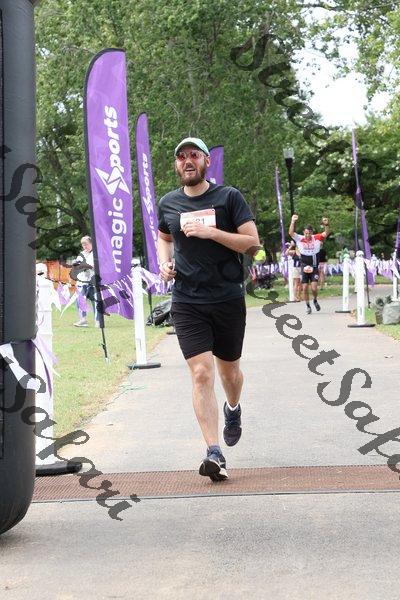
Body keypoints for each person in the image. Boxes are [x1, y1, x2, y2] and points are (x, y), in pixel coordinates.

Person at [157, 137, 260, 481]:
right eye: (181, 156)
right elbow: (164, 237)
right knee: (202, 373)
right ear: (177, 164)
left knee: (229, 373)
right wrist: (164, 264)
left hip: (227, 298)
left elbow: (253, 244)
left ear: (205, 162)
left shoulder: (228, 197)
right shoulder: (168, 202)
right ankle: (214, 451)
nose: (187, 161)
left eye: (194, 155)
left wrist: (211, 232)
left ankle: (233, 407)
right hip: (187, 301)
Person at [289, 214, 330, 314]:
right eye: (306, 233)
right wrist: (293, 221)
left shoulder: (316, 238)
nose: (307, 235)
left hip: (314, 266)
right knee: (304, 288)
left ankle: (315, 300)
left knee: (314, 288)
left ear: (312, 232)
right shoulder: (300, 238)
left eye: (309, 233)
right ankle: (308, 306)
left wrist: (326, 224)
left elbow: (326, 233)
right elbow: (291, 233)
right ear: (304, 232)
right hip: (304, 266)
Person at [72, 236, 100, 328]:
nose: (84, 246)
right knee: (80, 300)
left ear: (91, 243)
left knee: (95, 301)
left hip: (93, 280)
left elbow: (99, 266)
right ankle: (83, 320)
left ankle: (98, 321)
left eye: (86, 244)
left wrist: (86, 266)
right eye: (83, 244)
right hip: (82, 281)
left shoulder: (96, 254)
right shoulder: (81, 254)